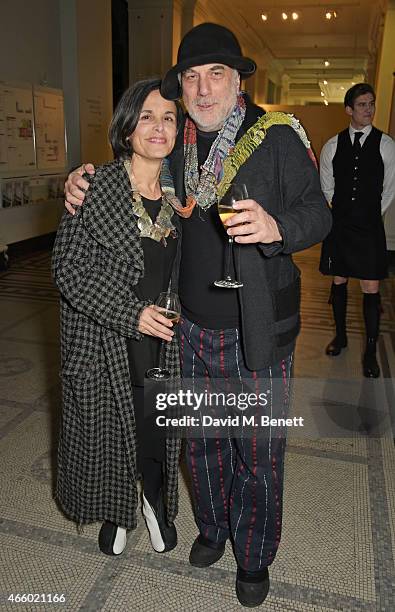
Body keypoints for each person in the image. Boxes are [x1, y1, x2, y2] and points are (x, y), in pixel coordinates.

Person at [64, 23, 332, 607]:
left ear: (237, 82)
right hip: (189, 325)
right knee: (204, 441)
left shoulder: (277, 137)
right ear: (181, 87)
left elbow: (319, 212)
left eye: (216, 75)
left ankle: (254, 555)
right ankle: (211, 530)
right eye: (192, 77)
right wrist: (81, 178)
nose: (204, 89)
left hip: (259, 329)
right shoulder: (176, 144)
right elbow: (132, 179)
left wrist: (278, 228)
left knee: (257, 449)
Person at [53, 79, 185, 558]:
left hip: (164, 341)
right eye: (147, 116)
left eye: (168, 117)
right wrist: (132, 313)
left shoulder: (183, 193)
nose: (158, 126)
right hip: (107, 340)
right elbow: (67, 268)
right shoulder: (95, 186)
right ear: (128, 127)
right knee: (109, 431)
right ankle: (116, 509)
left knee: (156, 429)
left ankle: (154, 501)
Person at [319, 83, 395, 378]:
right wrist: (341, 212)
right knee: (338, 281)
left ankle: (371, 352)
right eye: (362, 105)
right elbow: (327, 185)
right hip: (340, 226)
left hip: (369, 227)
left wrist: (370, 215)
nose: (369, 110)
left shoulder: (387, 145)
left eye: (371, 104)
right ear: (349, 109)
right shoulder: (333, 145)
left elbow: (389, 189)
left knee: (370, 288)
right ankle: (340, 337)